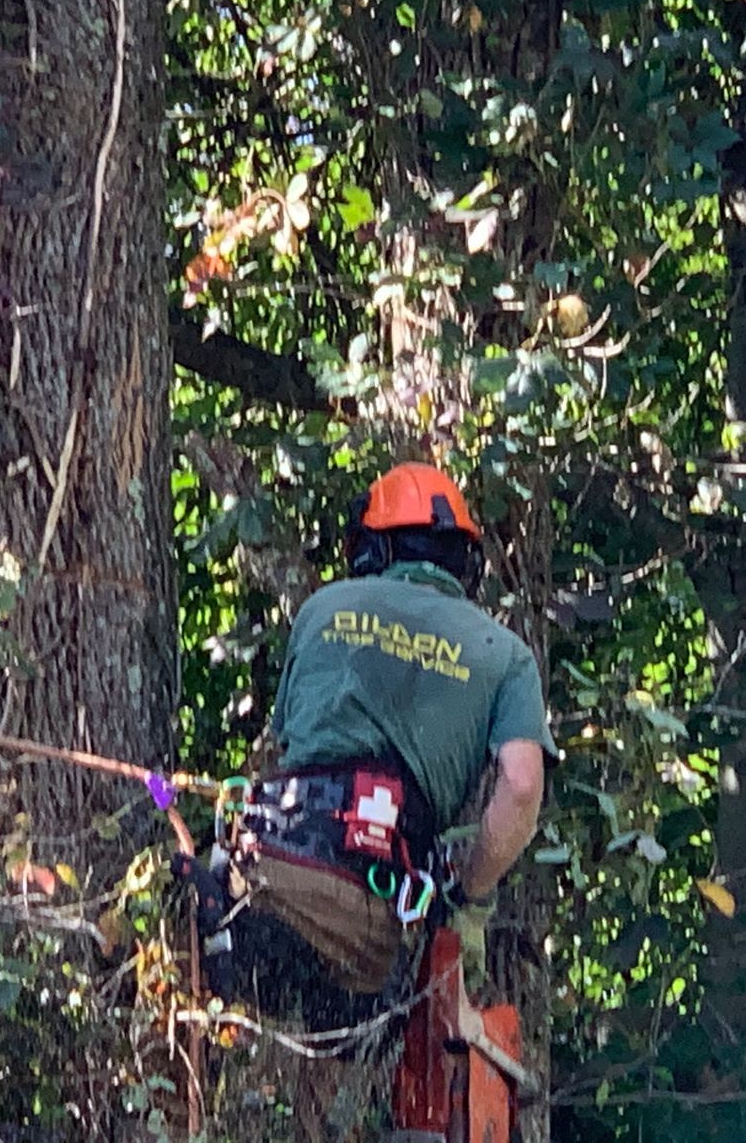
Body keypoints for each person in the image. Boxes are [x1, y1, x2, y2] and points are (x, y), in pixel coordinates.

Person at [202, 462, 556, 1138]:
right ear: (465, 563)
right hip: (369, 919)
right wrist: (472, 890)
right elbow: (519, 786)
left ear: (374, 549)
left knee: (187, 955)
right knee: (340, 1054)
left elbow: (290, 744)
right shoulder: (502, 654)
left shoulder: (322, 610)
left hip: (264, 872)